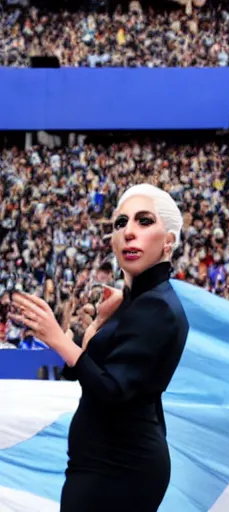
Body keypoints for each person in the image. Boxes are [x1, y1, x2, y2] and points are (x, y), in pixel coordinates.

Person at [9, 183, 190, 512]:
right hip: (100, 459)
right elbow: (83, 373)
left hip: (121, 466)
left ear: (169, 241)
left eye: (144, 221)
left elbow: (111, 390)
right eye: (121, 223)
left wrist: (57, 338)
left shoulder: (157, 307)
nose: (129, 233)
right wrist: (94, 327)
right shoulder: (133, 303)